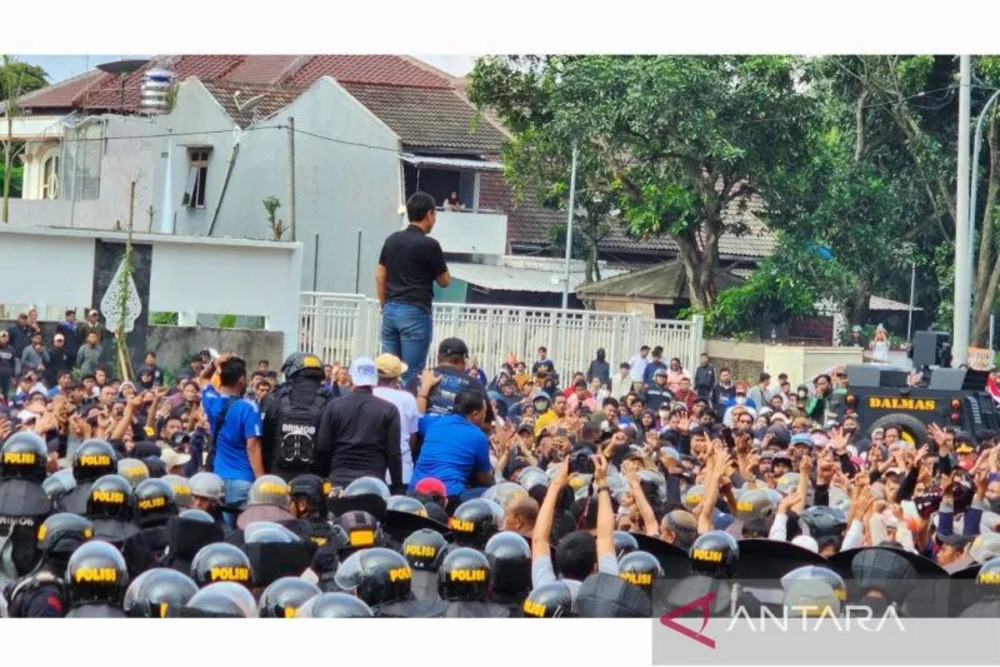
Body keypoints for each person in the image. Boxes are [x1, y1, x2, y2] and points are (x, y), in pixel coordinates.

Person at [376, 191, 450, 386]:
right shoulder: (430, 245)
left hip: (390, 309)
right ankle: (408, 413)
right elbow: (445, 281)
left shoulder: (391, 240)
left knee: (388, 371)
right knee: (412, 373)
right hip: (415, 312)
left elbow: (380, 276)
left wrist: (384, 305)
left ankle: (386, 411)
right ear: (429, 214)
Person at [315, 357, 403, 491]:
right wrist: (397, 486)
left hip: (338, 481)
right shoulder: (389, 410)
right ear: (375, 379)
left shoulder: (335, 406)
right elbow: (394, 453)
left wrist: (327, 476)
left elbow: (323, 446)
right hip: (374, 484)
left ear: (351, 378)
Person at [197, 355, 264, 513]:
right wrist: (261, 481)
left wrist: (214, 364)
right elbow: (252, 446)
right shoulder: (249, 407)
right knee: (243, 532)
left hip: (218, 478)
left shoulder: (212, 401)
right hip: (243, 480)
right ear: (241, 380)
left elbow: (203, 378)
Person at [409, 385, 494, 502]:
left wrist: (424, 391)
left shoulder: (434, 422)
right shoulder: (479, 436)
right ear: (475, 414)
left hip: (415, 491)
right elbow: (485, 479)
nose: (485, 416)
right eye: (485, 412)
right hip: (447, 496)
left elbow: (418, 418)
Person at [261, 352, 335, 481]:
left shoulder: (274, 399)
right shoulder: (331, 401)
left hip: (279, 476)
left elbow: (265, 441)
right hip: (316, 478)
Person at [373, 353, 420, 487]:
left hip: (371, 469)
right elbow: (413, 437)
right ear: (397, 377)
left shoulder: (368, 395)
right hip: (402, 470)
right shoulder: (408, 399)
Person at [0, 331, 17, 398]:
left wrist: (13, 376)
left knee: (6, 393)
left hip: (7, 375)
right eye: (2, 337)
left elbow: (13, 363)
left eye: (6, 337)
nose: (4, 339)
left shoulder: (11, 350)